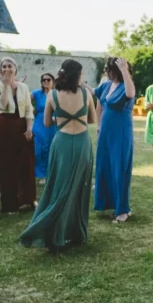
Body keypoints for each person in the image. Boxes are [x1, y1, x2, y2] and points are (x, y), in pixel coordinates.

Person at [20, 60, 96, 251]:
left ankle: (54, 232)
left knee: (57, 187)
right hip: (81, 143)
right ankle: (77, 232)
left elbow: (46, 123)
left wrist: (61, 117)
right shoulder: (86, 94)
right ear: (76, 75)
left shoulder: (52, 95)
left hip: (61, 143)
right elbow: (93, 119)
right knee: (79, 188)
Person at [94, 57, 136, 223]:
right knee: (106, 167)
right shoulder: (106, 85)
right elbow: (94, 93)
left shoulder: (127, 85)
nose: (106, 72)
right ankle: (111, 204)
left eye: (108, 70)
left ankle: (123, 210)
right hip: (105, 133)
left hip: (121, 133)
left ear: (115, 70)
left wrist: (125, 69)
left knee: (120, 169)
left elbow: (130, 94)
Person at [0, 58, 36, 214]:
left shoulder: (23, 87)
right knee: (8, 167)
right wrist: (5, 85)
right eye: (3, 66)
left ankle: (28, 200)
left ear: (15, 69)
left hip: (22, 125)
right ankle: (10, 204)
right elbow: (1, 105)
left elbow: (29, 109)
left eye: (9, 66)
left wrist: (30, 128)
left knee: (26, 164)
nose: (6, 69)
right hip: (5, 127)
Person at [31, 73, 58, 184]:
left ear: (53, 81)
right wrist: (31, 108)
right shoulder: (37, 93)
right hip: (39, 123)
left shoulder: (57, 93)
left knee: (51, 148)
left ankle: (50, 174)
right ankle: (41, 174)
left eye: (48, 79)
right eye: (43, 80)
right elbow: (22, 98)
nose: (46, 81)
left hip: (54, 123)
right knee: (38, 149)